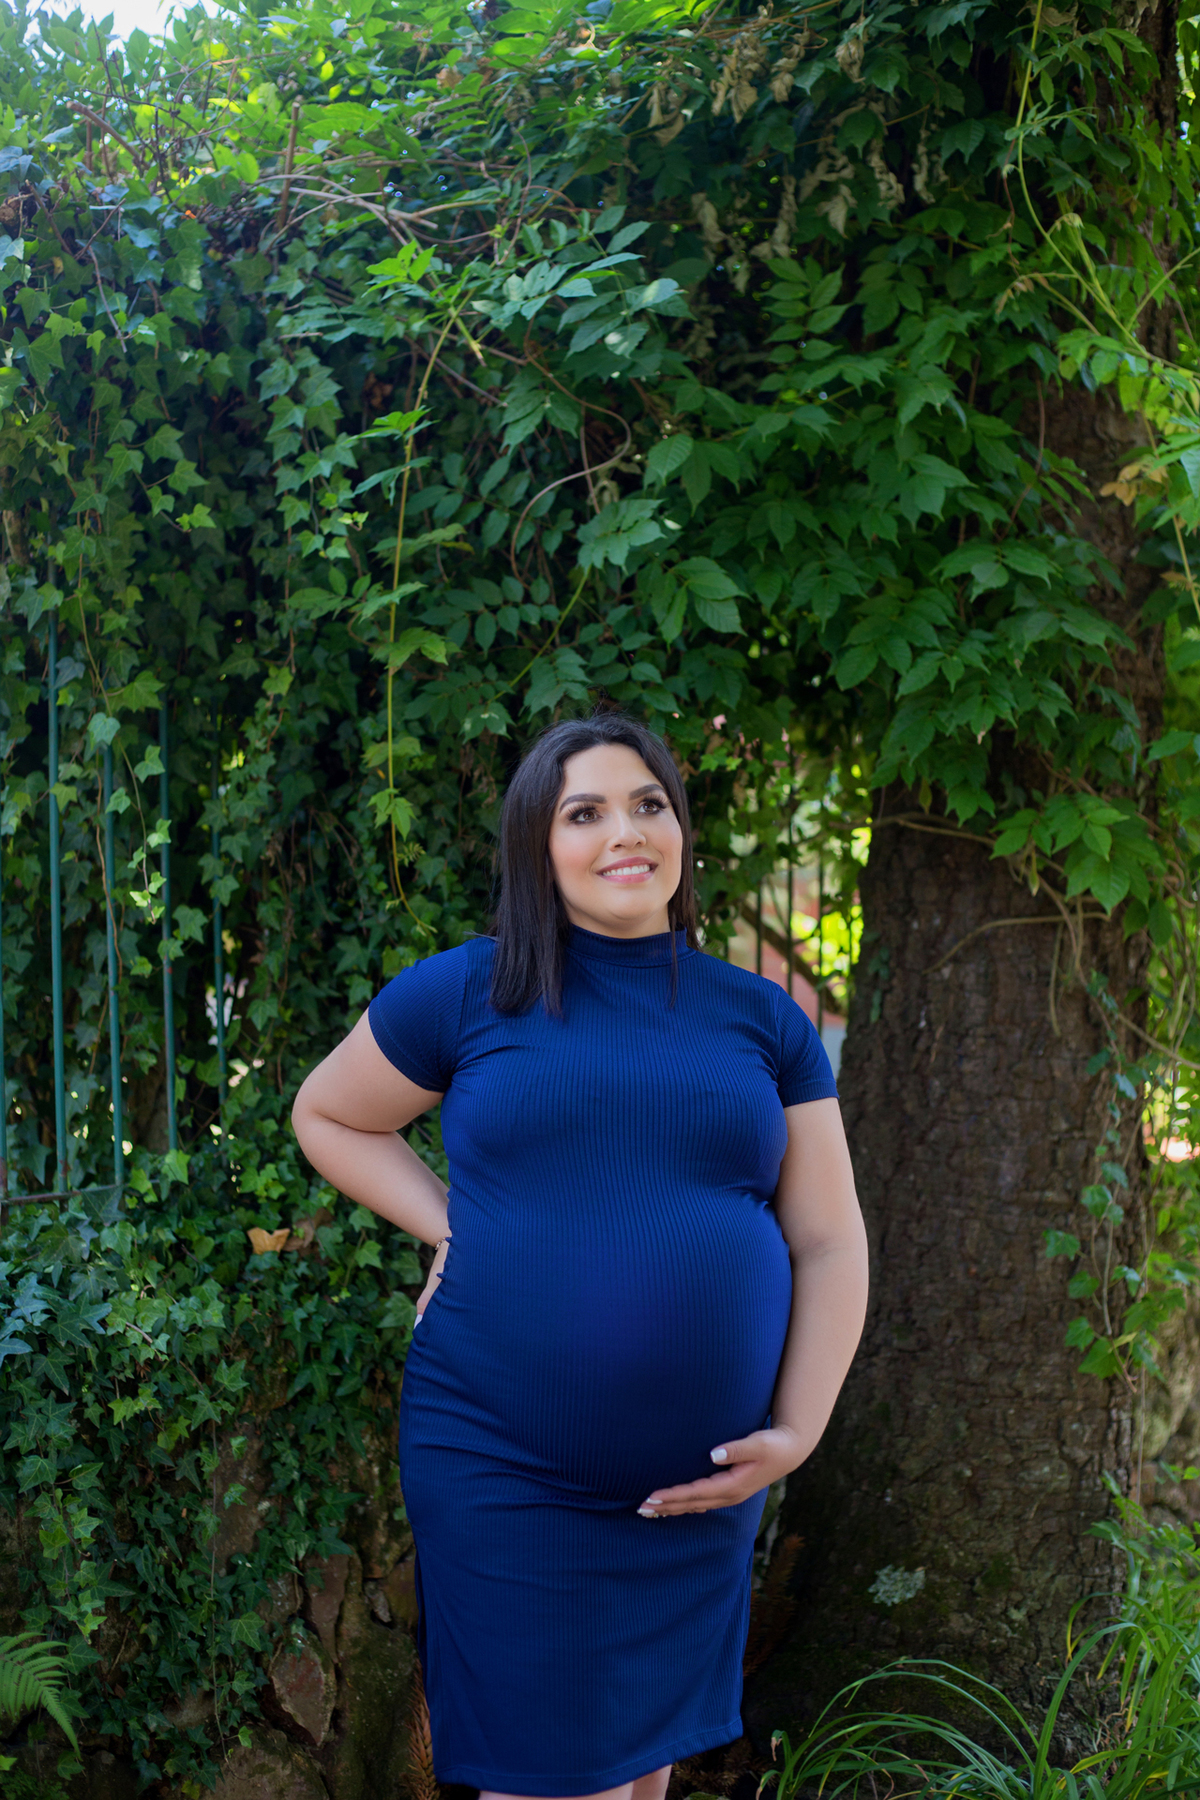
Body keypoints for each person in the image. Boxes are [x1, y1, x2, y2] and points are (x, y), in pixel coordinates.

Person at [291, 711, 868, 1800]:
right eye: (585, 811)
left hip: (694, 1494)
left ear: (682, 829)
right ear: (536, 846)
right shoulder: (469, 991)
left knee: (637, 1777)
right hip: (503, 1460)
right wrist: (461, 1225)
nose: (626, 831)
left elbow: (830, 1238)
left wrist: (799, 1430)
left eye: (649, 803)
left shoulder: (762, 1022)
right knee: (551, 1780)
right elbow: (330, 1116)